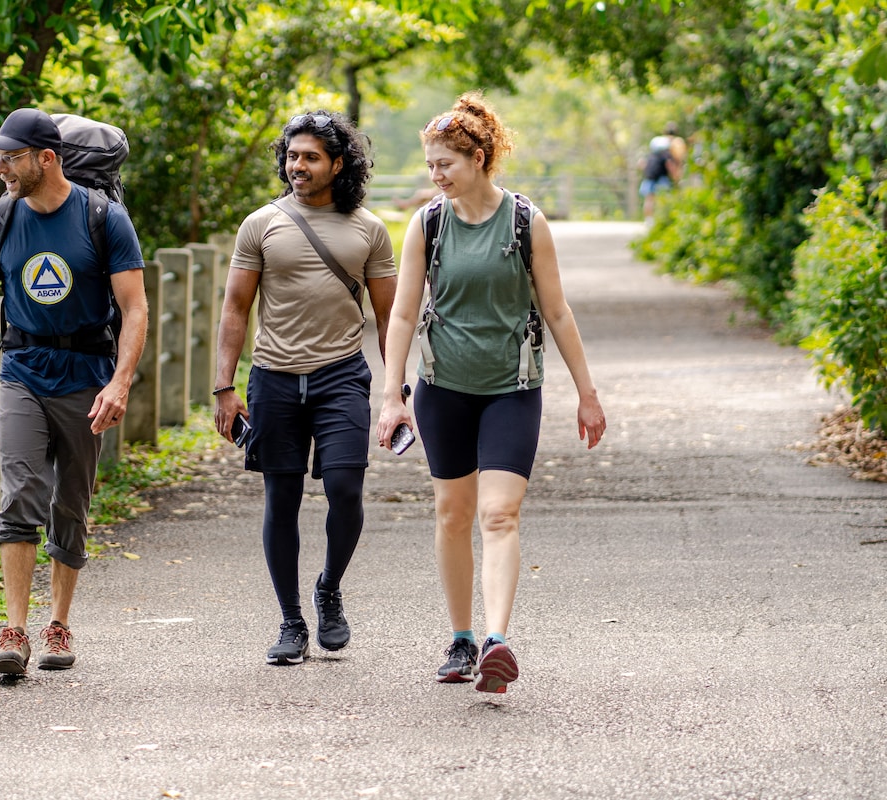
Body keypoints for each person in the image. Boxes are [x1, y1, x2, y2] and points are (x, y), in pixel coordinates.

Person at [375, 93, 606, 693]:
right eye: (429, 165)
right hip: (442, 388)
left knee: (499, 513)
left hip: (512, 388)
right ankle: (461, 639)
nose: (434, 175)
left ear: (477, 158)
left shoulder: (527, 222)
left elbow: (556, 311)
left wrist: (588, 393)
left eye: (443, 164)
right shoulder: (427, 224)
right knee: (453, 515)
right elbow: (402, 315)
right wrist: (392, 393)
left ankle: (498, 640)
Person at [0, 108, 149, 674]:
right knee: (21, 490)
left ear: (47, 158)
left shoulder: (103, 219)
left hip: (87, 374)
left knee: (71, 502)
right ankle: (14, 630)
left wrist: (119, 382)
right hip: (22, 372)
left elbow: (135, 308)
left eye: (9, 157)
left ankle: (59, 623)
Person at [213, 111, 397, 666]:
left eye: (311, 156)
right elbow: (235, 308)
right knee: (282, 498)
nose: (298, 166)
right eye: (293, 156)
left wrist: (397, 394)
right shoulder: (261, 224)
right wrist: (225, 386)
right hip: (273, 378)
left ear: (338, 164)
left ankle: (329, 588)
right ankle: (291, 619)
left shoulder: (369, 229)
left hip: (341, 375)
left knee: (345, 490)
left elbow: (390, 319)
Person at [640, 122, 686, 224]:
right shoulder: (670, 146)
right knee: (663, 198)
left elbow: (643, 163)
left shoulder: (656, 145)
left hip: (649, 175)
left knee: (649, 198)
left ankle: (649, 220)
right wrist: (676, 176)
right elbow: (669, 163)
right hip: (661, 177)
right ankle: (662, 219)